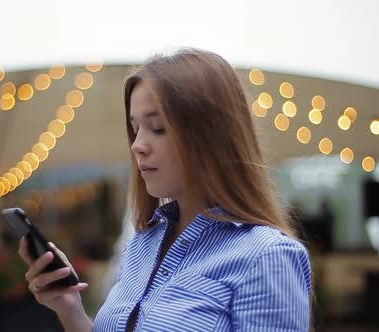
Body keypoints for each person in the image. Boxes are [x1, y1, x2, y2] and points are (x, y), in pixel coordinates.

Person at [18, 48, 312, 331]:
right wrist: (70, 308)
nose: (137, 145)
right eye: (135, 129)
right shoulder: (142, 244)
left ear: (211, 136)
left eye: (157, 128)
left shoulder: (267, 256)